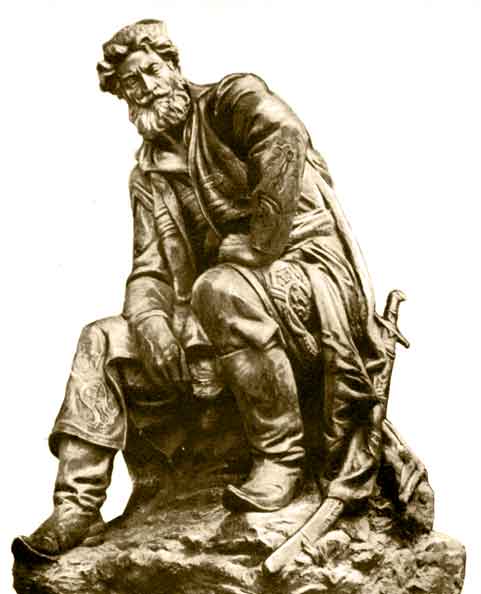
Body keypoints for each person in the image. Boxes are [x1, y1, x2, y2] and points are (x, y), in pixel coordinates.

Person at [12, 19, 426, 562]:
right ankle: (77, 505)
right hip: (215, 305)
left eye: (151, 71)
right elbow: (149, 269)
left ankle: (281, 459)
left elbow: (284, 138)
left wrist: (258, 242)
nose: (146, 87)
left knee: (218, 287)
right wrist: (151, 323)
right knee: (101, 339)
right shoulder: (148, 174)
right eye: (132, 84)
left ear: (174, 66)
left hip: (309, 273)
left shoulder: (234, 99)